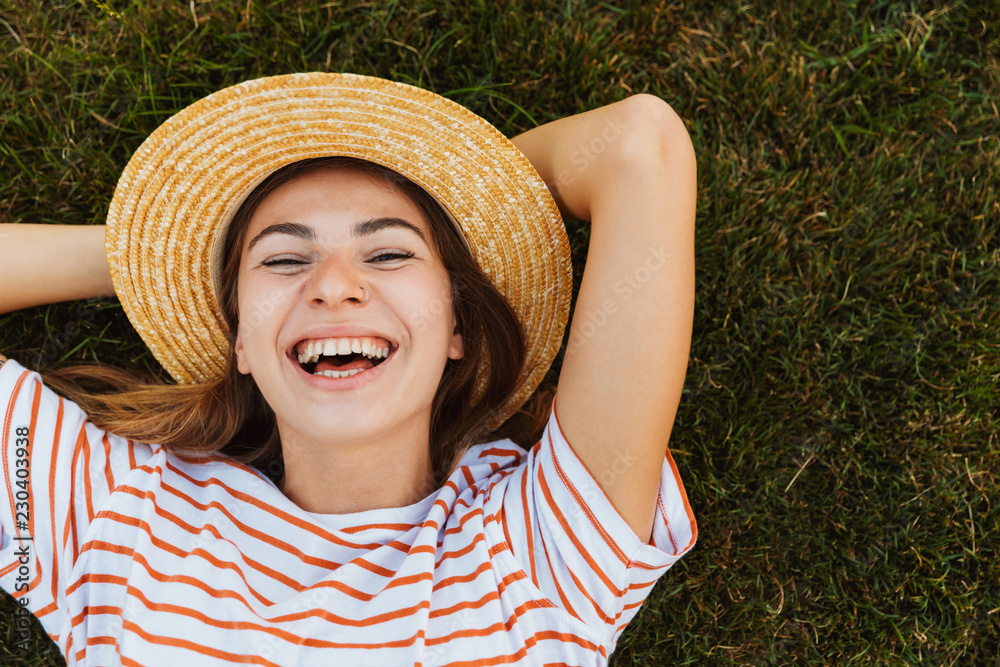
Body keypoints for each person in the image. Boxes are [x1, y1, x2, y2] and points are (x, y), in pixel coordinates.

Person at [0, 72, 697, 665]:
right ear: (239, 338)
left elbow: (638, 145)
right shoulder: (119, 509)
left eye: (390, 253)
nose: (334, 286)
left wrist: (470, 194)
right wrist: (145, 254)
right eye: (282, 259)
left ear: (457, 324)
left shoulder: (541, 546)